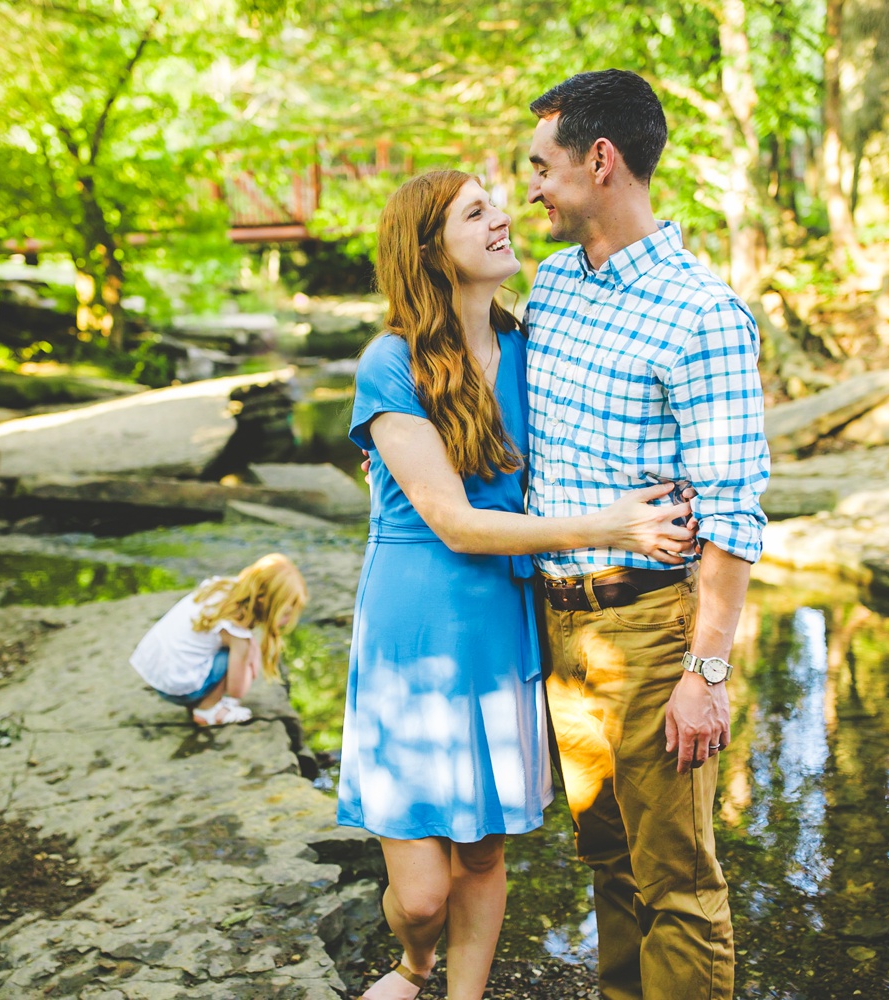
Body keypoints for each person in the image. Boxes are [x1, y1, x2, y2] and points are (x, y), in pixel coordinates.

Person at [339, 169, 700, 1000]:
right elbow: (457, 522)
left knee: (485, 850)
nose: (504, 217)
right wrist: (612, 525)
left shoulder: (531, 348)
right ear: (430, 250)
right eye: (477, 212)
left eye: (497, 202)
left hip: (507, 620)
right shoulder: (389, 364)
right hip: (416, 628)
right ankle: (412, 962)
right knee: (423, 896)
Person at [523, 69, 770, 1000]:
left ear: (600, 160)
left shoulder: (701, 314)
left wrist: (706, 673)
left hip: (653, 631)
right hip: (565, 632)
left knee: (679, 881)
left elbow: (735, 512)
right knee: (610, 862)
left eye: (543, 167)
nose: (534, 189)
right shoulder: (550, 286)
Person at [130, 552, 307, 726]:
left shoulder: (222, 586)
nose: (287, 621)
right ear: (263, 601)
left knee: (219, 648)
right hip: (176, 688)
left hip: (154, 669)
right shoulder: (236, 632)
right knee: (229, 656)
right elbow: (238, 691)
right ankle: (207, 710)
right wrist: (251, 658)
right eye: (285, 613)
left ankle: (202, 697)